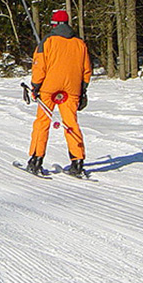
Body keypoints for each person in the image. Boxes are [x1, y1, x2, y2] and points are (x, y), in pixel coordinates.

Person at [23, 10, 92, 177]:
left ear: (53, 23)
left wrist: (35, 87)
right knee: (71, 123)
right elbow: (87, 70)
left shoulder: (47, 41)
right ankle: (77, 161)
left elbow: (39, 67)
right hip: (72, 88)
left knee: (43, 122)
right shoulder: (79, 43)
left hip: (49, 87)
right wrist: (83, 90)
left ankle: (36, 160)